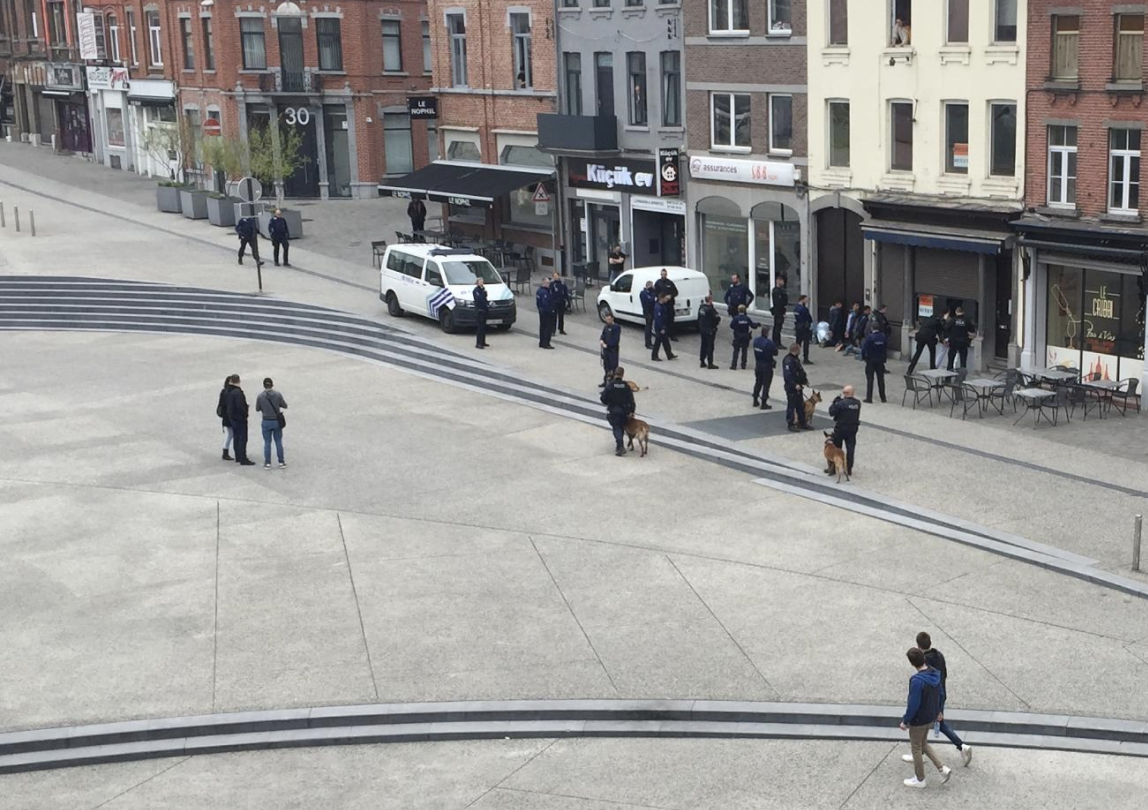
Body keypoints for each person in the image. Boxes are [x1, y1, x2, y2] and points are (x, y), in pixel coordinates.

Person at [905, 632, 973, 768]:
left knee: (932, 724)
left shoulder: (924, 660)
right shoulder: (939, 655)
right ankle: (960, 747)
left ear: (918, 645)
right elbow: (945, 674)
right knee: (937, 723)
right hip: (941, 693)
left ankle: (960, 746)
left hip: (932, 697)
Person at [899, 647, 951, 789]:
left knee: (916, 747)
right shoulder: (935, 674)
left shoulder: (917, 680)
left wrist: (905, 720)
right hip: (931, 716)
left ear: (912, 663)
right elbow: (940, 693)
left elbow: (913, 704)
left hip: (918, 720)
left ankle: (920, 778)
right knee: (923, 744)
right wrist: (939, 711)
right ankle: (942, 768)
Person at [600, 366, 635, 457]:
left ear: (615, 373)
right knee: (621, 427)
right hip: (624, 411)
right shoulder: (626, 386)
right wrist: (632, 410)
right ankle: (619, 445)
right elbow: (631, 400)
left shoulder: (610, 385)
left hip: (614, 410)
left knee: (617, 428)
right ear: (623, 375)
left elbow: (603, 398)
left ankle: (620, 446)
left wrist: (609, 403)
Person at [827, 385, 861, 476]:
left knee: (836, 449)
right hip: (852, 429)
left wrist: (835, 402)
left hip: (840, 429)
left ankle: (833, 468)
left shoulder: (841, 403)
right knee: (850, 449)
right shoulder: (857, 403)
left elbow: (831, 412)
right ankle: (848, 469)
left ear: (846, 393)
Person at [255, 377, 288, 469]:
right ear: (272, 385)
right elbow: (285, 405)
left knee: (267, 442)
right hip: (276, 421)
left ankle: (267, 463)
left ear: (264, 385)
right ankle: (281, 462)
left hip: (266, 421)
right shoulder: (278, 395)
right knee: (278, 441)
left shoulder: (260, 396)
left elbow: (257, 408)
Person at [225, 374, 256, 466]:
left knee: (236, 437)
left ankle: (238, 456)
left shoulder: (228, 391)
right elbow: (240, 407)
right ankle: (243, 458)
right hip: (239, 418)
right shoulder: (238, 393)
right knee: (243, 438)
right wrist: (246, 412)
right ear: (238, 381)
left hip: (232, 418)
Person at [782, 344, 812, 432]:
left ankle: (802, 422)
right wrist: (794, 385)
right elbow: (788, 375)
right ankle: (790, 423)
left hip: (799, 386)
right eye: (799, 349)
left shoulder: (795, 359)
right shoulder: (788, 360)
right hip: (792, 387)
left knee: (800, 405)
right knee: (791, 405)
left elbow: (799, 371)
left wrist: (804, 380)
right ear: (796, 350)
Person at [752, 327, 778, 409]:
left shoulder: (756, 341)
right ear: (767, 333)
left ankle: (755, 399)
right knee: (766, 384)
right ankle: (764, 402)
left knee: (758, 382)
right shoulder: (769, 343)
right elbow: (775, 352)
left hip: (758, 364)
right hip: (767, 365)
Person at [861, 326, 888, 403]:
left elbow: (864, 348)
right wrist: (884, 359)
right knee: (881, 379)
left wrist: (864, 357)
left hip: (871, 361)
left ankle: (869, 398)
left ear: (872, 328)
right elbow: (885, 347)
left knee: (870, 380)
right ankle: (883, 397)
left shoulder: (870, 337)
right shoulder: (883, 336)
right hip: (880, 361)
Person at [728, 304, 759, 370]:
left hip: (737, 336)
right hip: (745, 336)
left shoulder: (736, 318)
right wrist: (757, 324)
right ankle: (743, 365)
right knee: (744, 351)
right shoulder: (747, 318)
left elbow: (731, 326)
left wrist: (736, 328)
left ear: (738, 310)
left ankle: (734, 365)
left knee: (736, 351)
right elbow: (752, 325)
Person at [946, 306, 975, 370]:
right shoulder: (967, 320)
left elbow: (946, 328)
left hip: (953, 342)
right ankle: (962, 377)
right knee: (963, 361)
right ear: (963, 312)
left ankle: (948, 378)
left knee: (950, 360)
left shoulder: (953, 320)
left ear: (956, 312)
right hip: (963, 342)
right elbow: (972, 330)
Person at [653, 269, 679, 340]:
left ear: (666, 274)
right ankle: (664, 334)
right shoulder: (658, 283)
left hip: (670, 305)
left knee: (671, 320)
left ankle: (672, 335)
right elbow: (655, 293)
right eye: (662, 274)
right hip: (662, 305)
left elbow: (676, 292)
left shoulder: (670, 283)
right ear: (660, 275)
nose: (663, 276)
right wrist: (661, 297)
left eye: (665, 274)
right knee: (663, 320)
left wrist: (670, 296)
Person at [698, 294, 721, 369]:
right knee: (710, 347)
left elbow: (699, 318)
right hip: (710, 330)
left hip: (702, 329)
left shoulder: (701, 308)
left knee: (703, 345)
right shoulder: (711, 309)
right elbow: (716, 318)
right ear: (710, 300)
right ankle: (710, 363)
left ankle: (702, 361)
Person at [651, 294, 676, 361]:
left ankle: (669, 354)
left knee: (665, 341)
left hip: (664, 325)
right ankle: (654, 356)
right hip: (660, 327)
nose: (666, 300)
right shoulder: (658, 307)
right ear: (661, 298)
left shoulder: (662, 305)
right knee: (658, 342)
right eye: (665, 299)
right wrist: (661, 328)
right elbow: (658, 319)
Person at [599, 313, 621, 388]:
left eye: (609, 319)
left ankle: (612, 384)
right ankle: (606, 382)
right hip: (606, 351)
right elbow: (603, 335)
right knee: (606, 367)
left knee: (613, 368)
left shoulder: (616, 327)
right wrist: (601, 340)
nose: (607, 321)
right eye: (606, 319)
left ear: (612, 319)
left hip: (613, 351)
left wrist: (607, 345)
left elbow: (615, 340)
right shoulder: (606, 326)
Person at [217, 376, 235, 461]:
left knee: (230, 434)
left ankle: (226, 451)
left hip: (226, 417)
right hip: (229, 417)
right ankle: (225, 451)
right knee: (231, 434)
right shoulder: (229, 393)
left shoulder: (223, 392)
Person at [793, 294, 814, 364]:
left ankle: (795, 357)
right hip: (804, 327)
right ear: (802, 299)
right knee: (806, 343)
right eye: (806, 299)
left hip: (798, 326)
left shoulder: (796, 308)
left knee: (798, 342)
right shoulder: (804, 309)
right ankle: (805, 358)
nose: (807, 301)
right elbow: (808, 318)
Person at [536, 278, 555, 349]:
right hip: (546, 313)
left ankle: (541, 342)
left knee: (542, 327)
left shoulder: (539, 291)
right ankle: (546, 343)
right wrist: (551, 310)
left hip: (541, 312)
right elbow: (545, 303)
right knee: (547, 328)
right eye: (547, 283)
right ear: (544, 283)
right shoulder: (544, 293)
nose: (549, 284)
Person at [770, 275, 788, 345]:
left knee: (778, 327)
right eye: (782, 281)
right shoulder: (776, 291)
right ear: (778, 281)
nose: (783, 283)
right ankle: (776, 343)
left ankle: (777, 342)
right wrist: (783, 312)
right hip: (778, 312)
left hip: (779, 311)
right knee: (777, 327)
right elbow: (779, 303)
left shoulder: (780, 290)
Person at [640, 280, 657, 349]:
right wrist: (653, 294)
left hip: (651, 311)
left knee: (649, 327)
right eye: (651, 286)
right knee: (648, 328)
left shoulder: (649, 292)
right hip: (648, 312)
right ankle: (648, 343)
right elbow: (650, 301)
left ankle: (649, 343)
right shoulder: (644, 293)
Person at [473, 276, 489, 349]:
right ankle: (478, 343)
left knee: (483, 326)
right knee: (479, 327)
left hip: (484, 309)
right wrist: (484, 294)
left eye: (482, 282)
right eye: (480, 282)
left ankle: (483, 341)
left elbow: (485, 300)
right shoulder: (476, 290)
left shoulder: (483, 289)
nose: (482, 283)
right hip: (479, 310)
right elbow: (479, 299)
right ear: (477, 283)